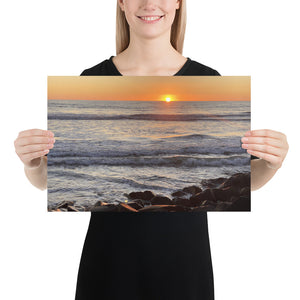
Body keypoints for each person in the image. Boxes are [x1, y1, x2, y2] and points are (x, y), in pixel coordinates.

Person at [14, 0, 289, 299]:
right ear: (121, 2)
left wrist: (272, 163)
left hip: (184, 265)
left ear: (178, 3)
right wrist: (32, 163)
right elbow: (47, 182)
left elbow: (241, 182)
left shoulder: (209, 81)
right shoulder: (91, 80)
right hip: (108, 264)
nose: (149, 3)